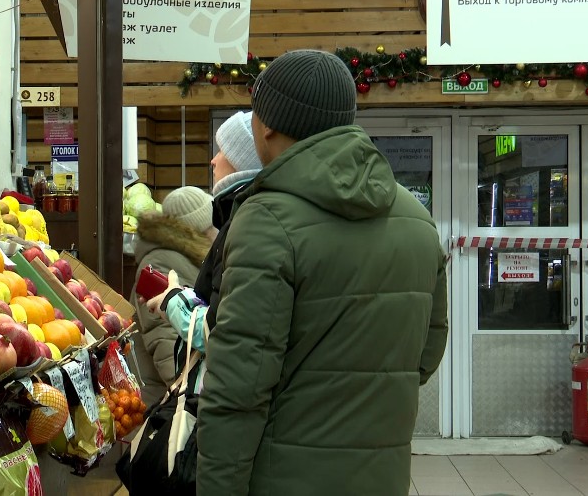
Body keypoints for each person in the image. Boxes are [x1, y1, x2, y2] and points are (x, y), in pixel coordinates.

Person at [196, 50, 449, 496]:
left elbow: (238, 391)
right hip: (382, 476)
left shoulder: (266, 220)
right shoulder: (416, 219)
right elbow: (425, 354)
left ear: (267, 124)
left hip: (282, 478)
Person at [147, 110, 264, 354]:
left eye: (223, 150)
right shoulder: (242, 217)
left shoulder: (247, 223)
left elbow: (219, 329)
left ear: (240, 160)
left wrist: (173, 300)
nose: (213, 159)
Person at [128, 186, 214, 408]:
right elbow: (165, 343)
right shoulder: (161, 263)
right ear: (199, 228)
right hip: (165, 402)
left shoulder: (190, 258)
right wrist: (194, 398)